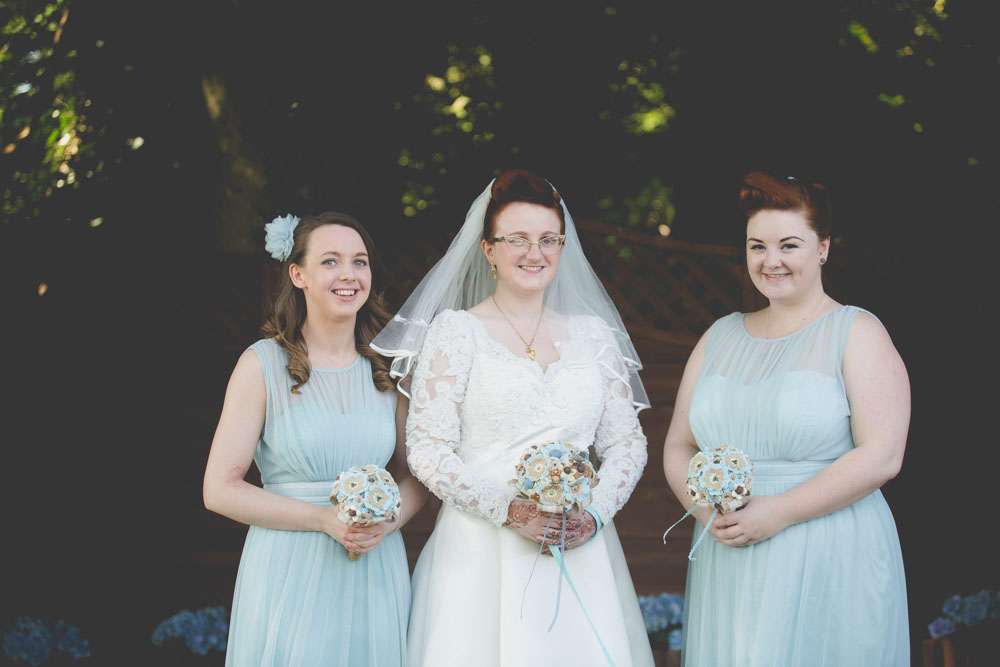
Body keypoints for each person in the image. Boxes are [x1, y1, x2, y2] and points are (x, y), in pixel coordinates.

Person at [372, 170, 655, 666]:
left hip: (578, 547)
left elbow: (627, 443)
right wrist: (510, 511)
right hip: (482, 549)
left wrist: (593, 515)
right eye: (517, 239)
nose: (534, 253)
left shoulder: (594, 336)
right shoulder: (456, 332)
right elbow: (429, 447)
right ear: (488, 250)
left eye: (548, 240)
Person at [662, 171, 910, 665]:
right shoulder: (718, 336)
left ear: (823, 248)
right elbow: (678, 446)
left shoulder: (857, 332)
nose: (770, 260)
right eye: (757, 246)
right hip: (729, 549)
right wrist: (709, 514)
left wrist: (779, 512)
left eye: (789, 245)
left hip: (826, 545)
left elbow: (883, 455)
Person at [203, 211, 426, 666]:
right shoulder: (261, 365)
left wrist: (384, 525)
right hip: (289, 565)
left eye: (360, 262)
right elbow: (219, 489)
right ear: (298, 274)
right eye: (330, 261)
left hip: (373, 566)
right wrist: (322, 519)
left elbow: (417, 477)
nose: (349, 274)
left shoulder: (388, 369)